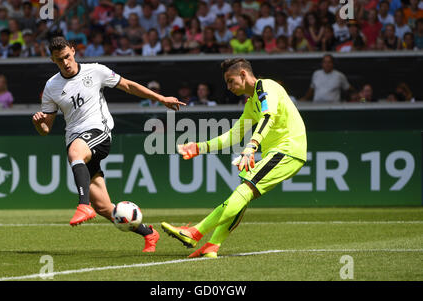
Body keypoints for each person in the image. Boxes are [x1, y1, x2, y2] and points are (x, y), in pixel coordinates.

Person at [31, 36, 185, 252]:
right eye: (59, 60)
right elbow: (46, 130)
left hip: (99, 132)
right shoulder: (51, 86)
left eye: (67, 56)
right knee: (104, 207)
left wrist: (160, 99)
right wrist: (39, 124)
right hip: (76, 139)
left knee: (76, 153)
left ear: (73, 51)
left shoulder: (95, 71)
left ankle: (83, 205)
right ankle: (149, 233)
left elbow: (129, 86)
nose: (65, 62)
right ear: (52, 60)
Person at [161, 58, 307, 258]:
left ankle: (195, 232)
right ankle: (212, 246)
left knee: (244, 189)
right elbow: (233, 135)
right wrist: (199, 147)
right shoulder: (251, 103)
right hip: (278, 152)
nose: (228, 87)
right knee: (242, 195)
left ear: (244, 74)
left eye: (230, 81)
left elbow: (268, 117)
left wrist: (251, 146)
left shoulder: (266, 87)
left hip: (288, 149)